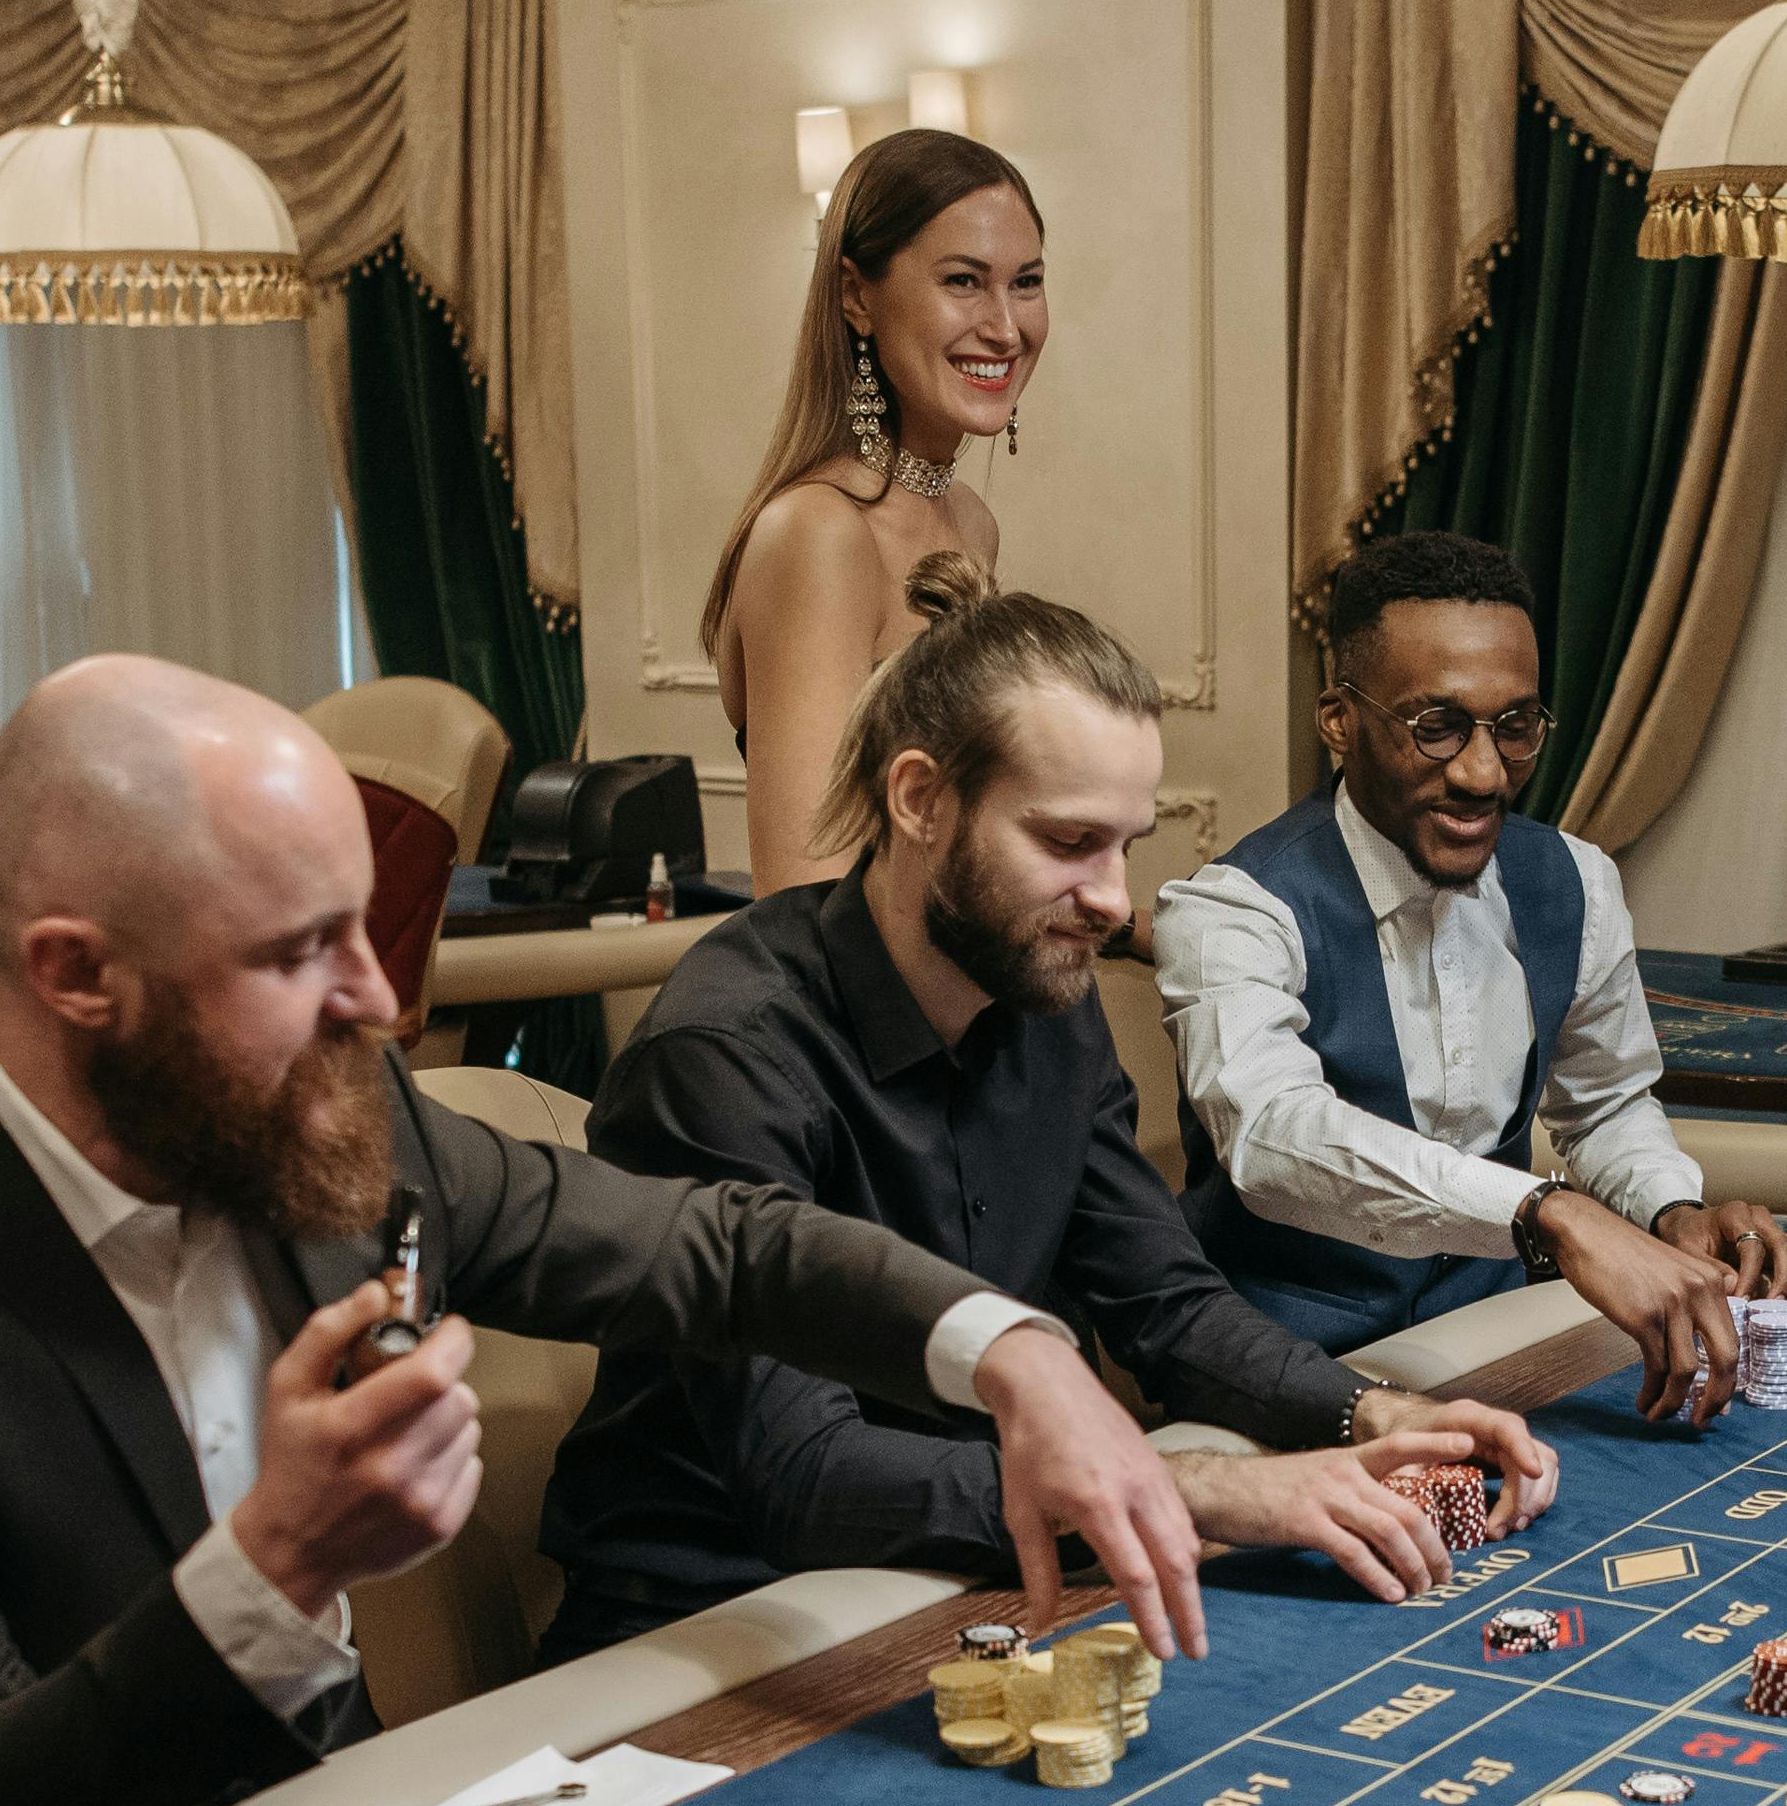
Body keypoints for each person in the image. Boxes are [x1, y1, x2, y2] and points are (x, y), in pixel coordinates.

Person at [0, 655, 1202, 1806]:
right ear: (79, 976)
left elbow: (723, 1247)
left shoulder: (321, 1098)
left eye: (362, 923)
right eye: (297, 950)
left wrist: (1010, 1353)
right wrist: (276, 1565)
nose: (376, 1000)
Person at [539, 563, 1565, 1656]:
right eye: (1069, 842)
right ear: (920, 799)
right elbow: (804, 1475)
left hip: (986, 1578)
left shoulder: (1043, 1003)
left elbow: (1166, 1307)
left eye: (1125, 844)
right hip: (717, 1627)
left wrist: (1365, 1413)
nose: (1115, 900)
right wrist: (1197, 1489)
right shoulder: (724, 1057)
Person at [1156, 531, 1787, 1421]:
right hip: (1285, 1369)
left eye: (1515, 728)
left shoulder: (1575, 880)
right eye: (1437, 726)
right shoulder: (1233, 907)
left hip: (1500, 1343)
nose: (1482, 773)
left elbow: (1606, 1102)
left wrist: (1669, 1210)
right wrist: (1551, 1215)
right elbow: (1272, 1139)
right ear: (1339, 720)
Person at [706, 128, 1046, 892]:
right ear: (857, 296)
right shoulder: (818, 533)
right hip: (865, 1005)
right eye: (963, 281)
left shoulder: (968, 520)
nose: (1005, 325)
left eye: (1025, 282)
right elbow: (805, 896)